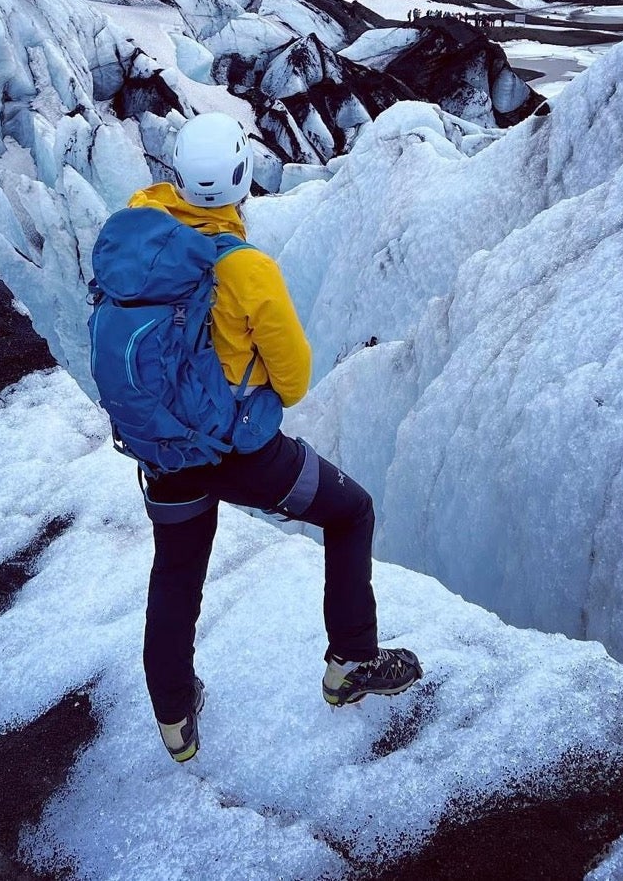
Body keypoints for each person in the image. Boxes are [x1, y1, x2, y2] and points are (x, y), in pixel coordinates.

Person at [118, 112, 422, 763]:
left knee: (176, 571)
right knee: (351, 511)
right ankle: (351, 664)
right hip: (240, 454)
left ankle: (175, 718)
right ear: (239, 179)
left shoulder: (142, 237)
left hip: (164, 452)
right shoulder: (246, 267)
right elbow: (294, 376)